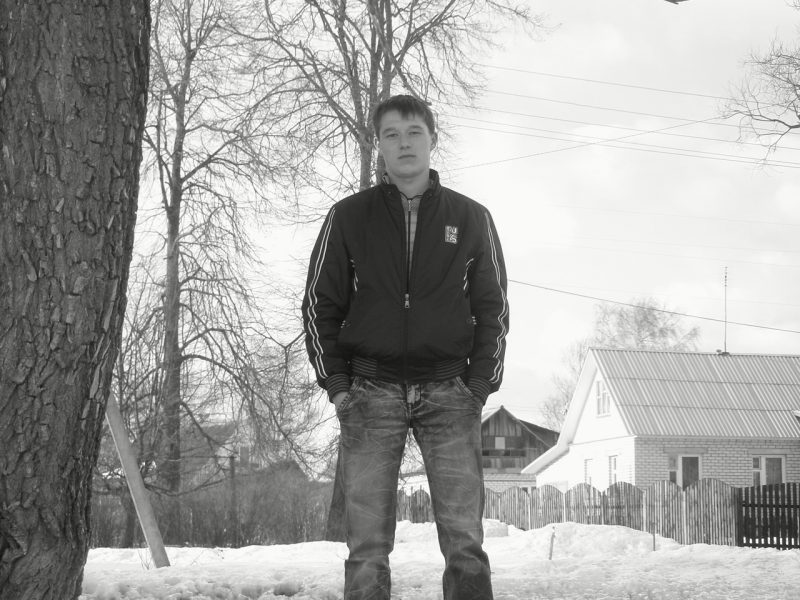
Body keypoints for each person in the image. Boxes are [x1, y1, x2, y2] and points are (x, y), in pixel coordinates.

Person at [302, 94, 509, 600]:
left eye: (414, 132)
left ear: (432, 139)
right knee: (366, 546)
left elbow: (493, 308)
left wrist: (478, 386)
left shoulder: (472, 217)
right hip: (369, 392)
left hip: (450, 392)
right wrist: (338, 385)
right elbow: (319, 304)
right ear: (379, 146)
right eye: (391, 134)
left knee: (465, 542)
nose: (404, 143)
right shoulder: (349, 216)